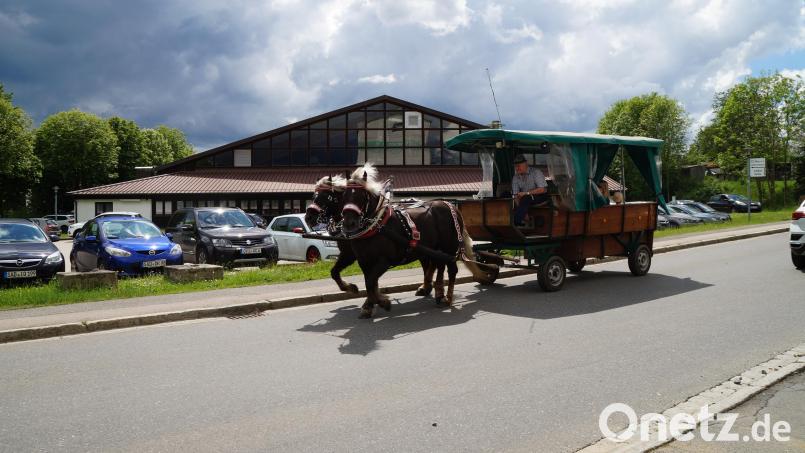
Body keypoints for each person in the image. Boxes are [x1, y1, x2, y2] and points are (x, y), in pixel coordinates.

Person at [512, 154, 549, 226]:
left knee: (526, 198)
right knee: (507, 195)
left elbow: (543, 189)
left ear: (526, 164)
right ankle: (516, 221)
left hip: (540, 196)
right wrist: (523, 212)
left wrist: (526, 193)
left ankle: (516, 223)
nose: (517, 168)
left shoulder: (536, 172)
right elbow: (515, 195)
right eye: (515, 166)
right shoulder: (515, 177)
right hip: (525, 199)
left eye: (518, 166)